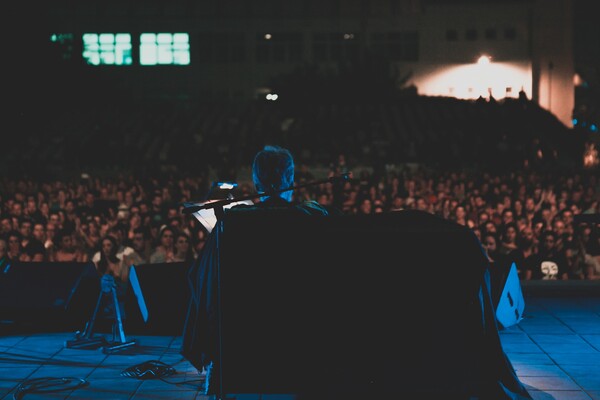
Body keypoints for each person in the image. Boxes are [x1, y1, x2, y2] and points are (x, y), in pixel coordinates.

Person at [181, 145, 334, 395]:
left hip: (242, 334)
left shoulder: (234, 222)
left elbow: (202, 278)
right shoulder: (311, 219)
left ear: (255, 181)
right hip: (298, 332)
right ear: (290, 178)